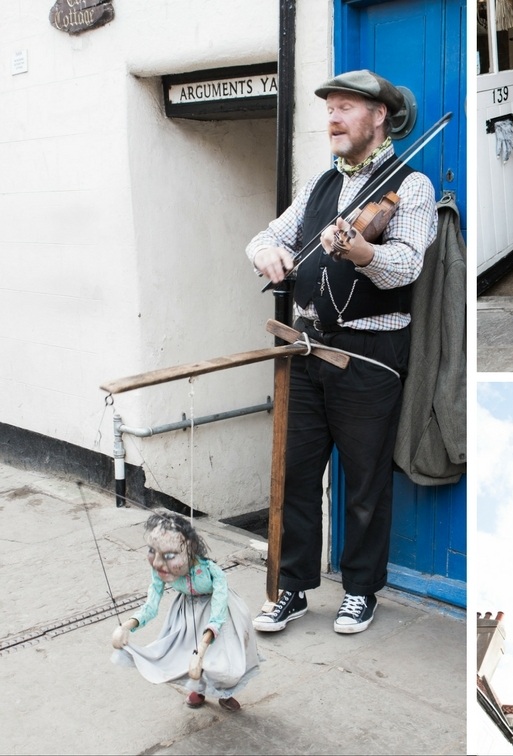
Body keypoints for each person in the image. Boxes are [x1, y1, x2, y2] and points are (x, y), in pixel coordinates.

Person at [245, 70, 437, 633]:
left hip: (370, 354)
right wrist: (266, 256)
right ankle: (292, 587)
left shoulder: (413, 184)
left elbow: (405, 264)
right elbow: (267, 236)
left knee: (365, 483)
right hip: (306, 349)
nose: (332, 117)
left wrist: (358, 250)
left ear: (379, 116)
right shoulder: (319, 185)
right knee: (295, 474)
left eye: (345, 107)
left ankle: (360, 589)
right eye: (329, 107)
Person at [111, 512, 261, 711]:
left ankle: (226, 693)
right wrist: (128, 625)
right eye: (151, 551)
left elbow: (218, 612)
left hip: (219, 613)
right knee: (183, 656)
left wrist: (203, 645)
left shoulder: (212, 572)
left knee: (224, 660)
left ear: (189, 551)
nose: (156, 563)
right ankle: (198, 690)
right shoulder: (160, 570)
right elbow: (151, 604)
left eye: (169, 556)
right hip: (186, 613)